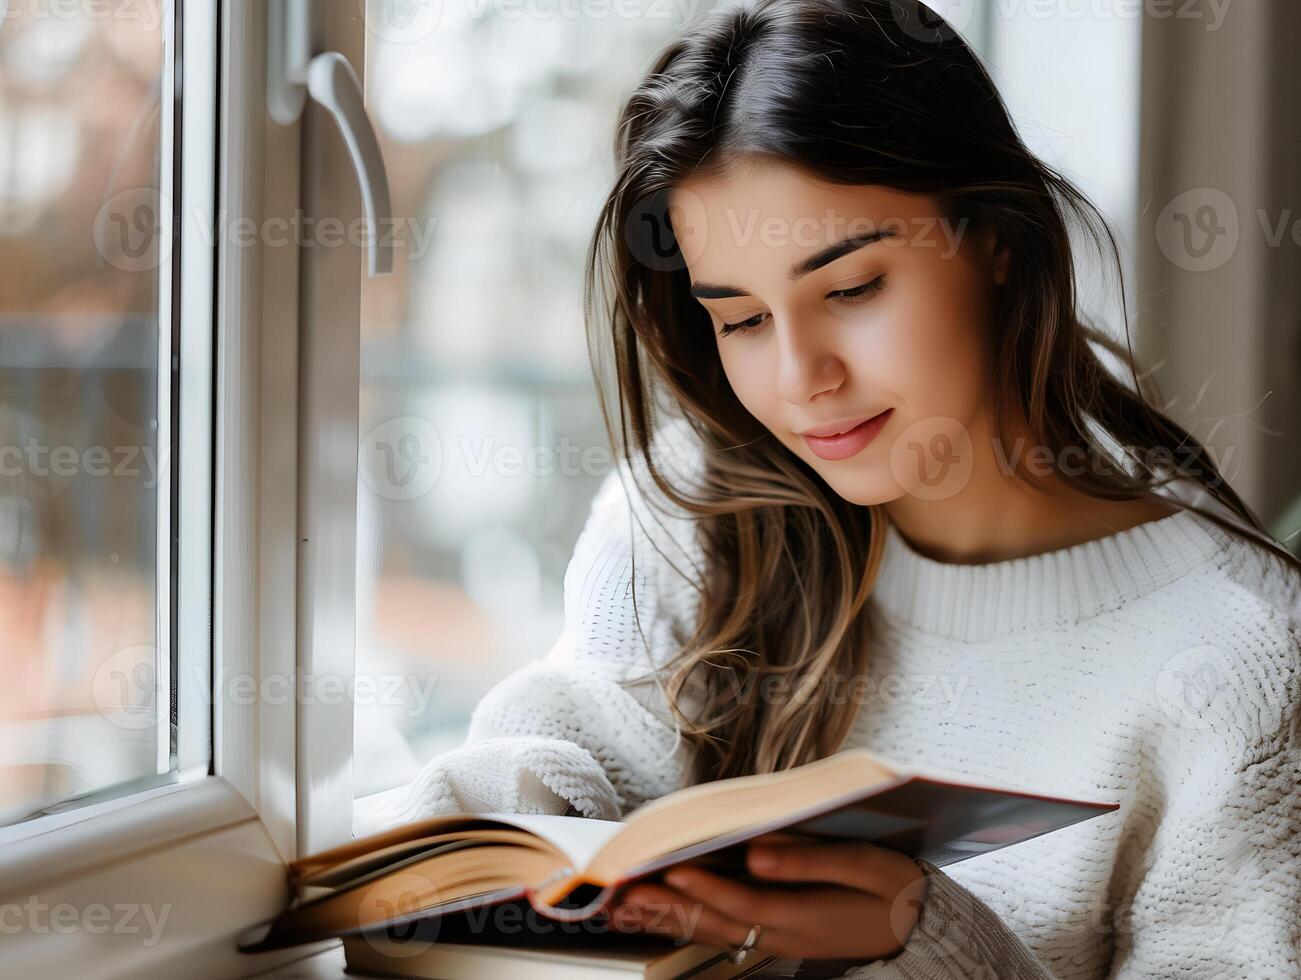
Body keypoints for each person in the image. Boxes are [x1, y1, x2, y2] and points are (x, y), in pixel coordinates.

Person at [356, 1, 1301, 975]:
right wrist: (425, 865)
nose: (801, 378)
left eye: (849, 290)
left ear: (997, 241)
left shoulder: (1238, 659)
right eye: (742, 320)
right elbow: (573, 743)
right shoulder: (692, 514)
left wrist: (930, 936)